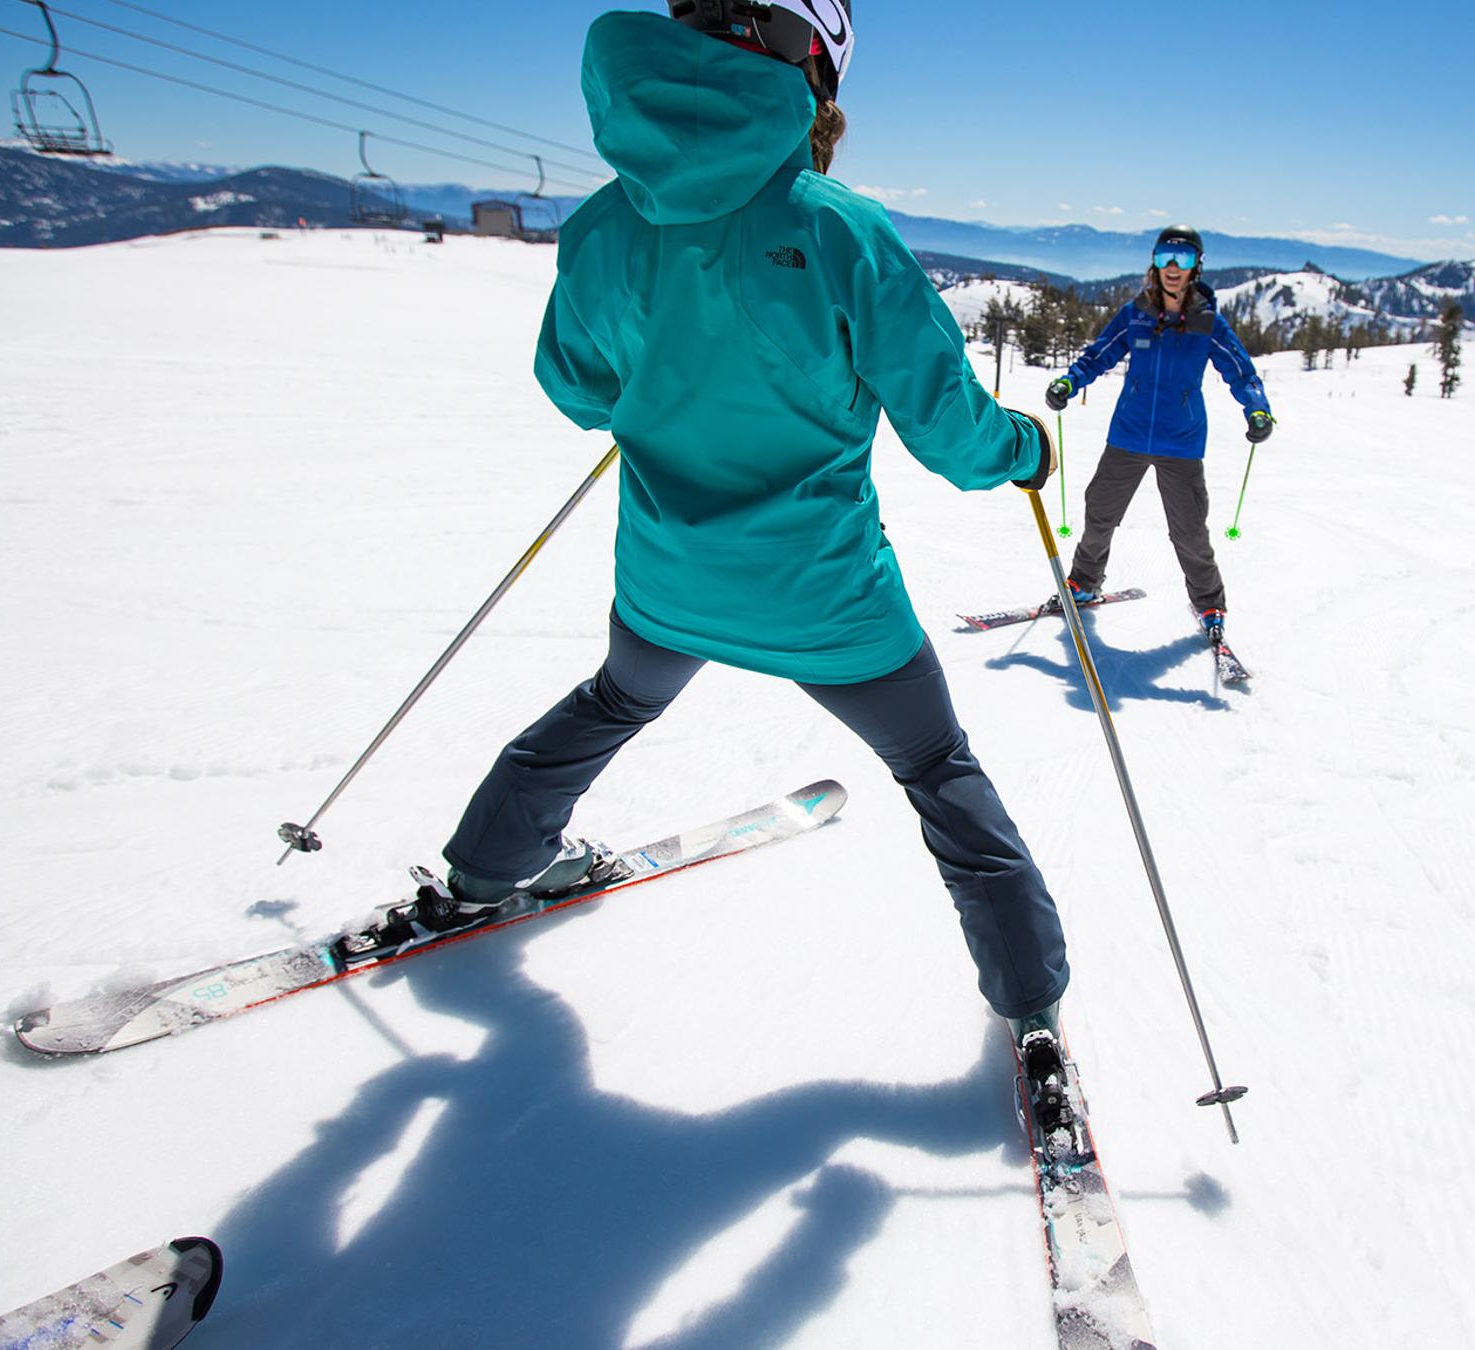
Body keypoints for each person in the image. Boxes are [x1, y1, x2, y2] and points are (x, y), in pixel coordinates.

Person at [437, 1, 1067, 1037]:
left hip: (666, 584)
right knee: (937, 770)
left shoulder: (603, 222)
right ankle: (1032, 1003)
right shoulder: (836, 229)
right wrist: (1027, 448)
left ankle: (478, 876)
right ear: (816, 68)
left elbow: (577, 388)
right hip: (827, 603)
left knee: (608, 704)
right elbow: (954, 437)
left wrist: (668, 385)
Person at [1044, 225, 1275, 645]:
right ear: (1154, 260)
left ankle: (1209, 604)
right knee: (1099, 512)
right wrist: (1068, 383)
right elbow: (1099, 354)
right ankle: (1084, 582)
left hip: (1180, 440)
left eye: (1182, 258)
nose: (1172, 266)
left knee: (1188, 531)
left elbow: (1240, 372)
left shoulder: (1208, 323)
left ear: (1196, 266)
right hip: (1128, 433)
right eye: (1165, 255)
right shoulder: (1137, 314)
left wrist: (1258, 409)